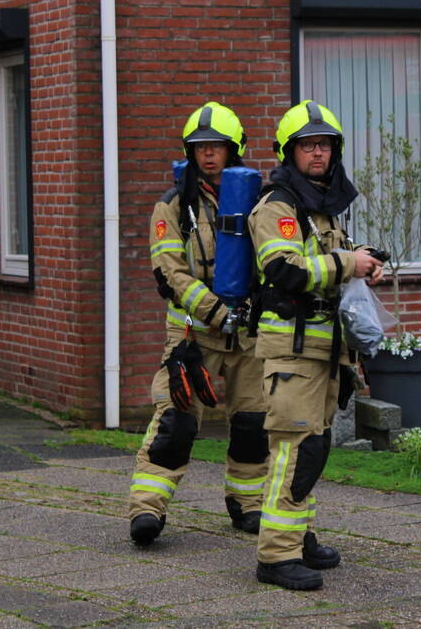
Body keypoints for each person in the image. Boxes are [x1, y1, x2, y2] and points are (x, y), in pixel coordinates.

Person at [247, 100, 384, 590]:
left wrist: (362, 264)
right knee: (295, 449)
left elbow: (330, 267)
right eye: (308, 145)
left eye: (325, 144)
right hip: (291, 353)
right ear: (291, 152)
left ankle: (296, 535)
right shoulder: (278, 207)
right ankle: (276, 556)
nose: (318, 153)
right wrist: (349, 264)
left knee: (314, 446)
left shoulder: (320, 209)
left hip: (323, 353)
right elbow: (284, 269)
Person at [128, 102, 269, 545]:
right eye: (201, 147)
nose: (209, 155)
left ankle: (248, 505)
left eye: (218, 147)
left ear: (235, 151)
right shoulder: (172, 207)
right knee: (176, 422)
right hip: (194, 336)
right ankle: (147, 510)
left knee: (252, 423)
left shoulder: (259, 201)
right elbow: (170, 273)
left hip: (247, 335)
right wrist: (215, 310)